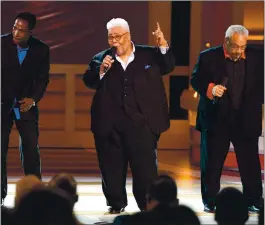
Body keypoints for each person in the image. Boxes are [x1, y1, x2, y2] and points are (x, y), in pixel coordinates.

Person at [83, 18, 175, 213]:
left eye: (118, 37)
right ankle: (116, 204)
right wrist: (101, 71)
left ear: (128, 36)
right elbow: (89, 81)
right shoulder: (101, 58)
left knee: (145, 169)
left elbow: (168, 66)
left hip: (142, 123)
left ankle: (147, 205)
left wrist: (163, 45)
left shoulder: (149, 55)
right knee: (111, 168)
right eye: (111, 37)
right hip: (109, 123)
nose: (114, 41)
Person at [191, 25, 264, 213]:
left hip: (246, 119)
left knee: (250, 164)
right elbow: (195, 79)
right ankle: (210, 201)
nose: (239, 51)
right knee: (212, 164)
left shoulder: (258, 57)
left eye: (242, 47)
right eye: (235, 47)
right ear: (226, 41)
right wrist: (210, 89)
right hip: (216, 120)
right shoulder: (208, 56)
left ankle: (254, 200)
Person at [1, 12, 50, 204]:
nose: (16, 33)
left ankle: (35, 195)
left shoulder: (41, 49)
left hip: (26, 106)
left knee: (30, 149)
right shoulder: (1, 44)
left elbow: (42, 78)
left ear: (30, 32)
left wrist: (33, 99)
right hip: (1, 104)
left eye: (21, 30)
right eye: (14, 27)